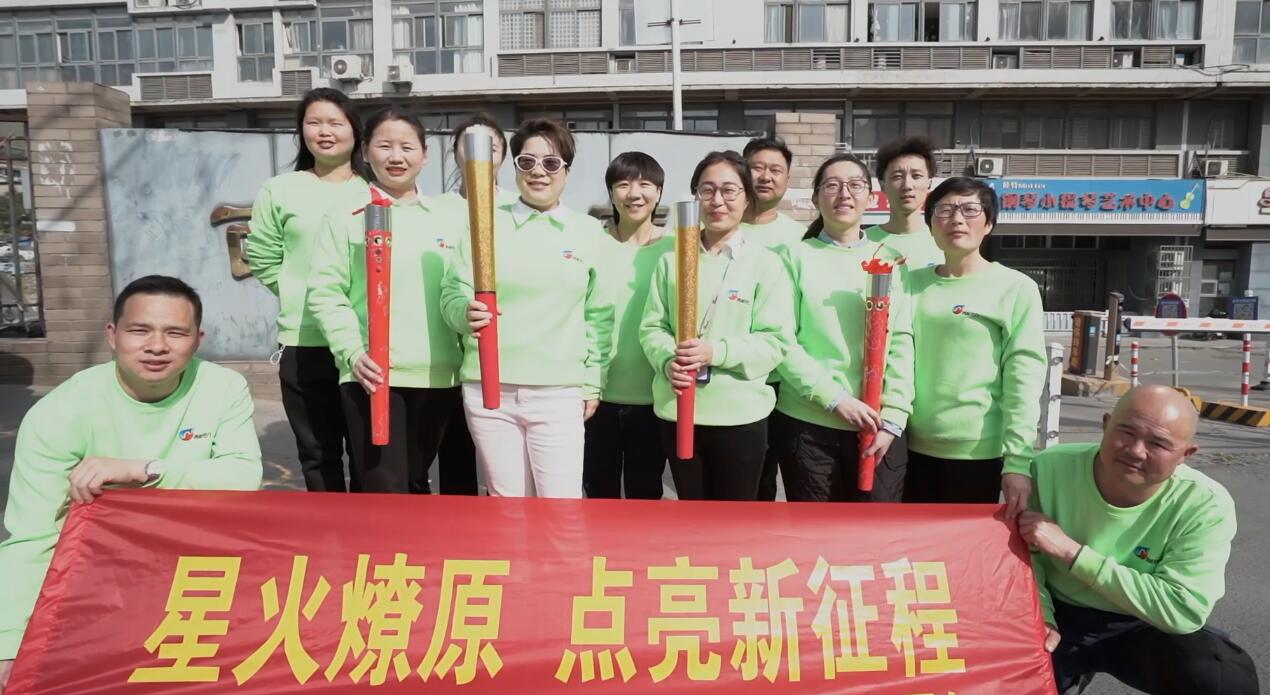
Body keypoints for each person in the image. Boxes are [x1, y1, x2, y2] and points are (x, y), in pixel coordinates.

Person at [0, 276, 263, 686]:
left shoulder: (223, 388)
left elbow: (243, 477)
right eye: (140, 330)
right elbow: (33, 536)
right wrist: (10, 642)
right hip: (103, 577)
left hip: (202, 568)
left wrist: (143, 470)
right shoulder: (60, 413)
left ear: (198, 340)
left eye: (175, 333)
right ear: (113, 335)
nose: (156, 346)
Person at [1020, 385, 1259, 695]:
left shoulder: (1205, 503)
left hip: (1141, 620)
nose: (1135, 450)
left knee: (1224, 678)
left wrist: (1074, 554)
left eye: (1158, 443)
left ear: (1186, 454)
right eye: (1126, 432)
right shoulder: (1048, 468)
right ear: (1106, 425)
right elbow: (1024, 560)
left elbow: (1183, 609)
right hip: (1059, 609)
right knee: (1002, 674)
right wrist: (1040, 616)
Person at [441, 117, 614, 498]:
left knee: (560, 504)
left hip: (558, 390)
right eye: (527, 162)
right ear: (514, 166)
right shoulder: (484, 222)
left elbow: (599, 315)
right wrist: (464, 312)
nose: (538, 171)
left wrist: (592, 380)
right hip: (489, 389)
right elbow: (453, 291)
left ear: (566, 171)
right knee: (507, 504)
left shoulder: (587, 232)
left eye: (551, 163)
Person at [307, 108, 462, 494]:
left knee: (416, 482)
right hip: (373, 374)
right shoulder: (346, 215)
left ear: (425, 155)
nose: (396, 157)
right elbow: (326, 292)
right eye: (385, 146)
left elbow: (462, 287)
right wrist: (352, 352)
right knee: (384, 488)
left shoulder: (448, 217)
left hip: (438, 374)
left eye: (407, 147)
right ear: (365, 151)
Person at [640, 150, 791, 501]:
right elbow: (652, 327)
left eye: (729, 190)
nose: (717, 201)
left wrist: (715, 352)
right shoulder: (671, 261)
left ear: (747, 198)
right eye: (706, 190)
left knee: (734, 522)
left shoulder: (766, 264)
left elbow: (775, 341)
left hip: (740, 417)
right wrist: (668, 360)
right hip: (678, 410)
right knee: (691, 516)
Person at [247, 87, 369, 493]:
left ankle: (371, 531)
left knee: (369, 454)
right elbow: (262, 257)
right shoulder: (280, 190)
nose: (325, 131)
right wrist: (295, 291)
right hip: (304, 341)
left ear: (355, 130)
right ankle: (328, 529)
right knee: (318, 454)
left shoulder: (374, 192)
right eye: (314, 123)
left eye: (335, 122)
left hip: (364, 344)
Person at [773, 153, 914, 502]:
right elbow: (780, 340)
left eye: (855, 185)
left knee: (875, 528)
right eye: (832, 185)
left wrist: (894, 416)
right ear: (816, 197)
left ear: (871, 196)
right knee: (817, 530)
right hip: (809, 424)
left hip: (879, 426)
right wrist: (834, 399)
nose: (844, 194)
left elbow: (901, 340)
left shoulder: (890, 259)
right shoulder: (793, 257)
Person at [903, 177, 1045, 505]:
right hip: (906, 447)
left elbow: (1023, 378)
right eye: (944, 210)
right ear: (930, 224)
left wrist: (1018, 460)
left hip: (978, 453)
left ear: (989, 223)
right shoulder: (907, 284)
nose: (956, 219)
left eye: (969, 210)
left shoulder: (1015, 288)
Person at [428, 114, 515, 495]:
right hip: (448, 353)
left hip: (505, 355)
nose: (480, 153)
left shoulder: (518, 209)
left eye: (491, 146)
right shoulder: (434, 209)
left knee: (506, 466)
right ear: (455, 153)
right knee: (456, 457)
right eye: (469, 144)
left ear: (503, 155)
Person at [584, 152, 674, 499]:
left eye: (645, 184)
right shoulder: (591, 242)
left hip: (653, 396)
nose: (634, 194)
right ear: (611, 192)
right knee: (598, 491)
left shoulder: (677, 247)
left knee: (645, 492)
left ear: (659, 192)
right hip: (596, 394)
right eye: (623, 184)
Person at [741, 136, 805, 501]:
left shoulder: (799, 237)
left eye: (776, 170)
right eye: (757, 168)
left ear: (787, 179)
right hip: (731, 373)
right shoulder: (717, 228)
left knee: (771, 477)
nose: (766, 176)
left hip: (784, 379)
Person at [864, 136, 944, 271]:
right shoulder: (862, 242)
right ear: (882, 185)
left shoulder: (945, 241)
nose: (907, 185)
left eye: (916, 176)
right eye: (897, 176)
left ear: (929, 182)